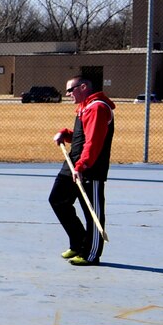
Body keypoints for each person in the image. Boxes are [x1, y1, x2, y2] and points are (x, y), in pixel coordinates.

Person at [50, 75, 115, 266]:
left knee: (92, 211)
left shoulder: (98, 108)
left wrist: (82, 166)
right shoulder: (85, 108)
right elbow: (81, 136)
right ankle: (78, 242)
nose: (68, 94)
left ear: (84, 87)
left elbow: (94, 142)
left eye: (71, 90)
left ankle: (91, 254)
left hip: (90, 168)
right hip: (73, 164)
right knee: (58, 200)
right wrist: (66, 134)